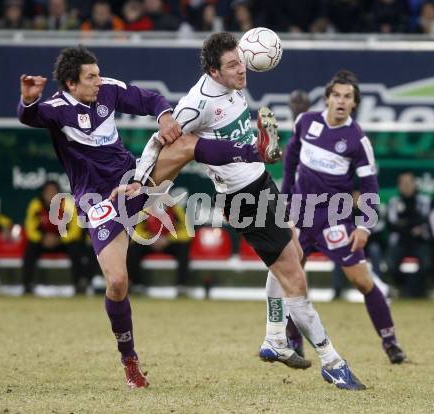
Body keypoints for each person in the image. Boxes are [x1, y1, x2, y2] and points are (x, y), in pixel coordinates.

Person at [18, 45, 277, 389]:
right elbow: (28, 116)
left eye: (98, 73)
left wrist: (166, 117)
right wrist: (28, 100)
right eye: (90, 77)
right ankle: (130, 361)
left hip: (134, 181)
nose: (98, 81)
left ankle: (254, 150)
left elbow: (150, 99)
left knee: (184, 144)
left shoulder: (107, 90)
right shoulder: (55, 109)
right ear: (70, 83)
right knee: (117, 284)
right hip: (99, 202)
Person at [135, 32, 366, 390]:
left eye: (241, 61)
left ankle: (275, 338)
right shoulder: (197, 103)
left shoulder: (235, 84)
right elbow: (162, 143)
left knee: (295, 253)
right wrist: (140, 181)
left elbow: (240, 137)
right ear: (214, 71)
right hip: (243, 199)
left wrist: (260, 147)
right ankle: (331, 360)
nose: (241, 69)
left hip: (260, 184)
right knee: (294, 277)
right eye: (232, 65)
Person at [264, 69, 406, 366]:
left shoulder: (358, 140)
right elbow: (290, 166)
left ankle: (390, 342)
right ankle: (293, 342)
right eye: (337, 95)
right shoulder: (306, 122)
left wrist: (365, 225)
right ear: (327, 98)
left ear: (355, 104)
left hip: (335, 218)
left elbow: (369, 187)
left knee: (362, 281)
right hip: (301, 214)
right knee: (291, 277)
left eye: (348, 97)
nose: (341, 101)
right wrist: (285, 204)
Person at [21, 180, 86, 294]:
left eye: (53, 192)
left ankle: (79, 284)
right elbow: (30, 228)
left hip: (62, 240)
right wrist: (42, 238)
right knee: (30, 249)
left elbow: (76, 229)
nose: (50, 195)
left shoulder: (68, 203)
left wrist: (59, 239)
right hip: (43, 240)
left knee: (76, 248)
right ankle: (27, 285)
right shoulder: (36, 204)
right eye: (48, 192)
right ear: (43, 193)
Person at [127, 203, 191, 295]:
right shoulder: (144, 210)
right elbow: (135, 232)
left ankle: (181, 285)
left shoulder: (176, 209)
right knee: (133, 249)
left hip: (169, 242)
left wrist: (168, 239)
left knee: (183, 248)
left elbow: (187, 231)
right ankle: (137, 285)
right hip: (149, 242)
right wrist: (150, 238)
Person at [386, 171, 432, 298]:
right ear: (399, 185)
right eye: (403, 183)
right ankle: (409, 289)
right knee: (391, 266)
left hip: (420, 241)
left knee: (428, 264)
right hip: (400, 241)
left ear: (414, 184)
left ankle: (411, 290)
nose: (406, 186)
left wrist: (404, 223)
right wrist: (412, 226)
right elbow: (392, 225)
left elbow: (426, 219)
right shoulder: (394, 202)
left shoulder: (425, 201)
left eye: (409, 182)